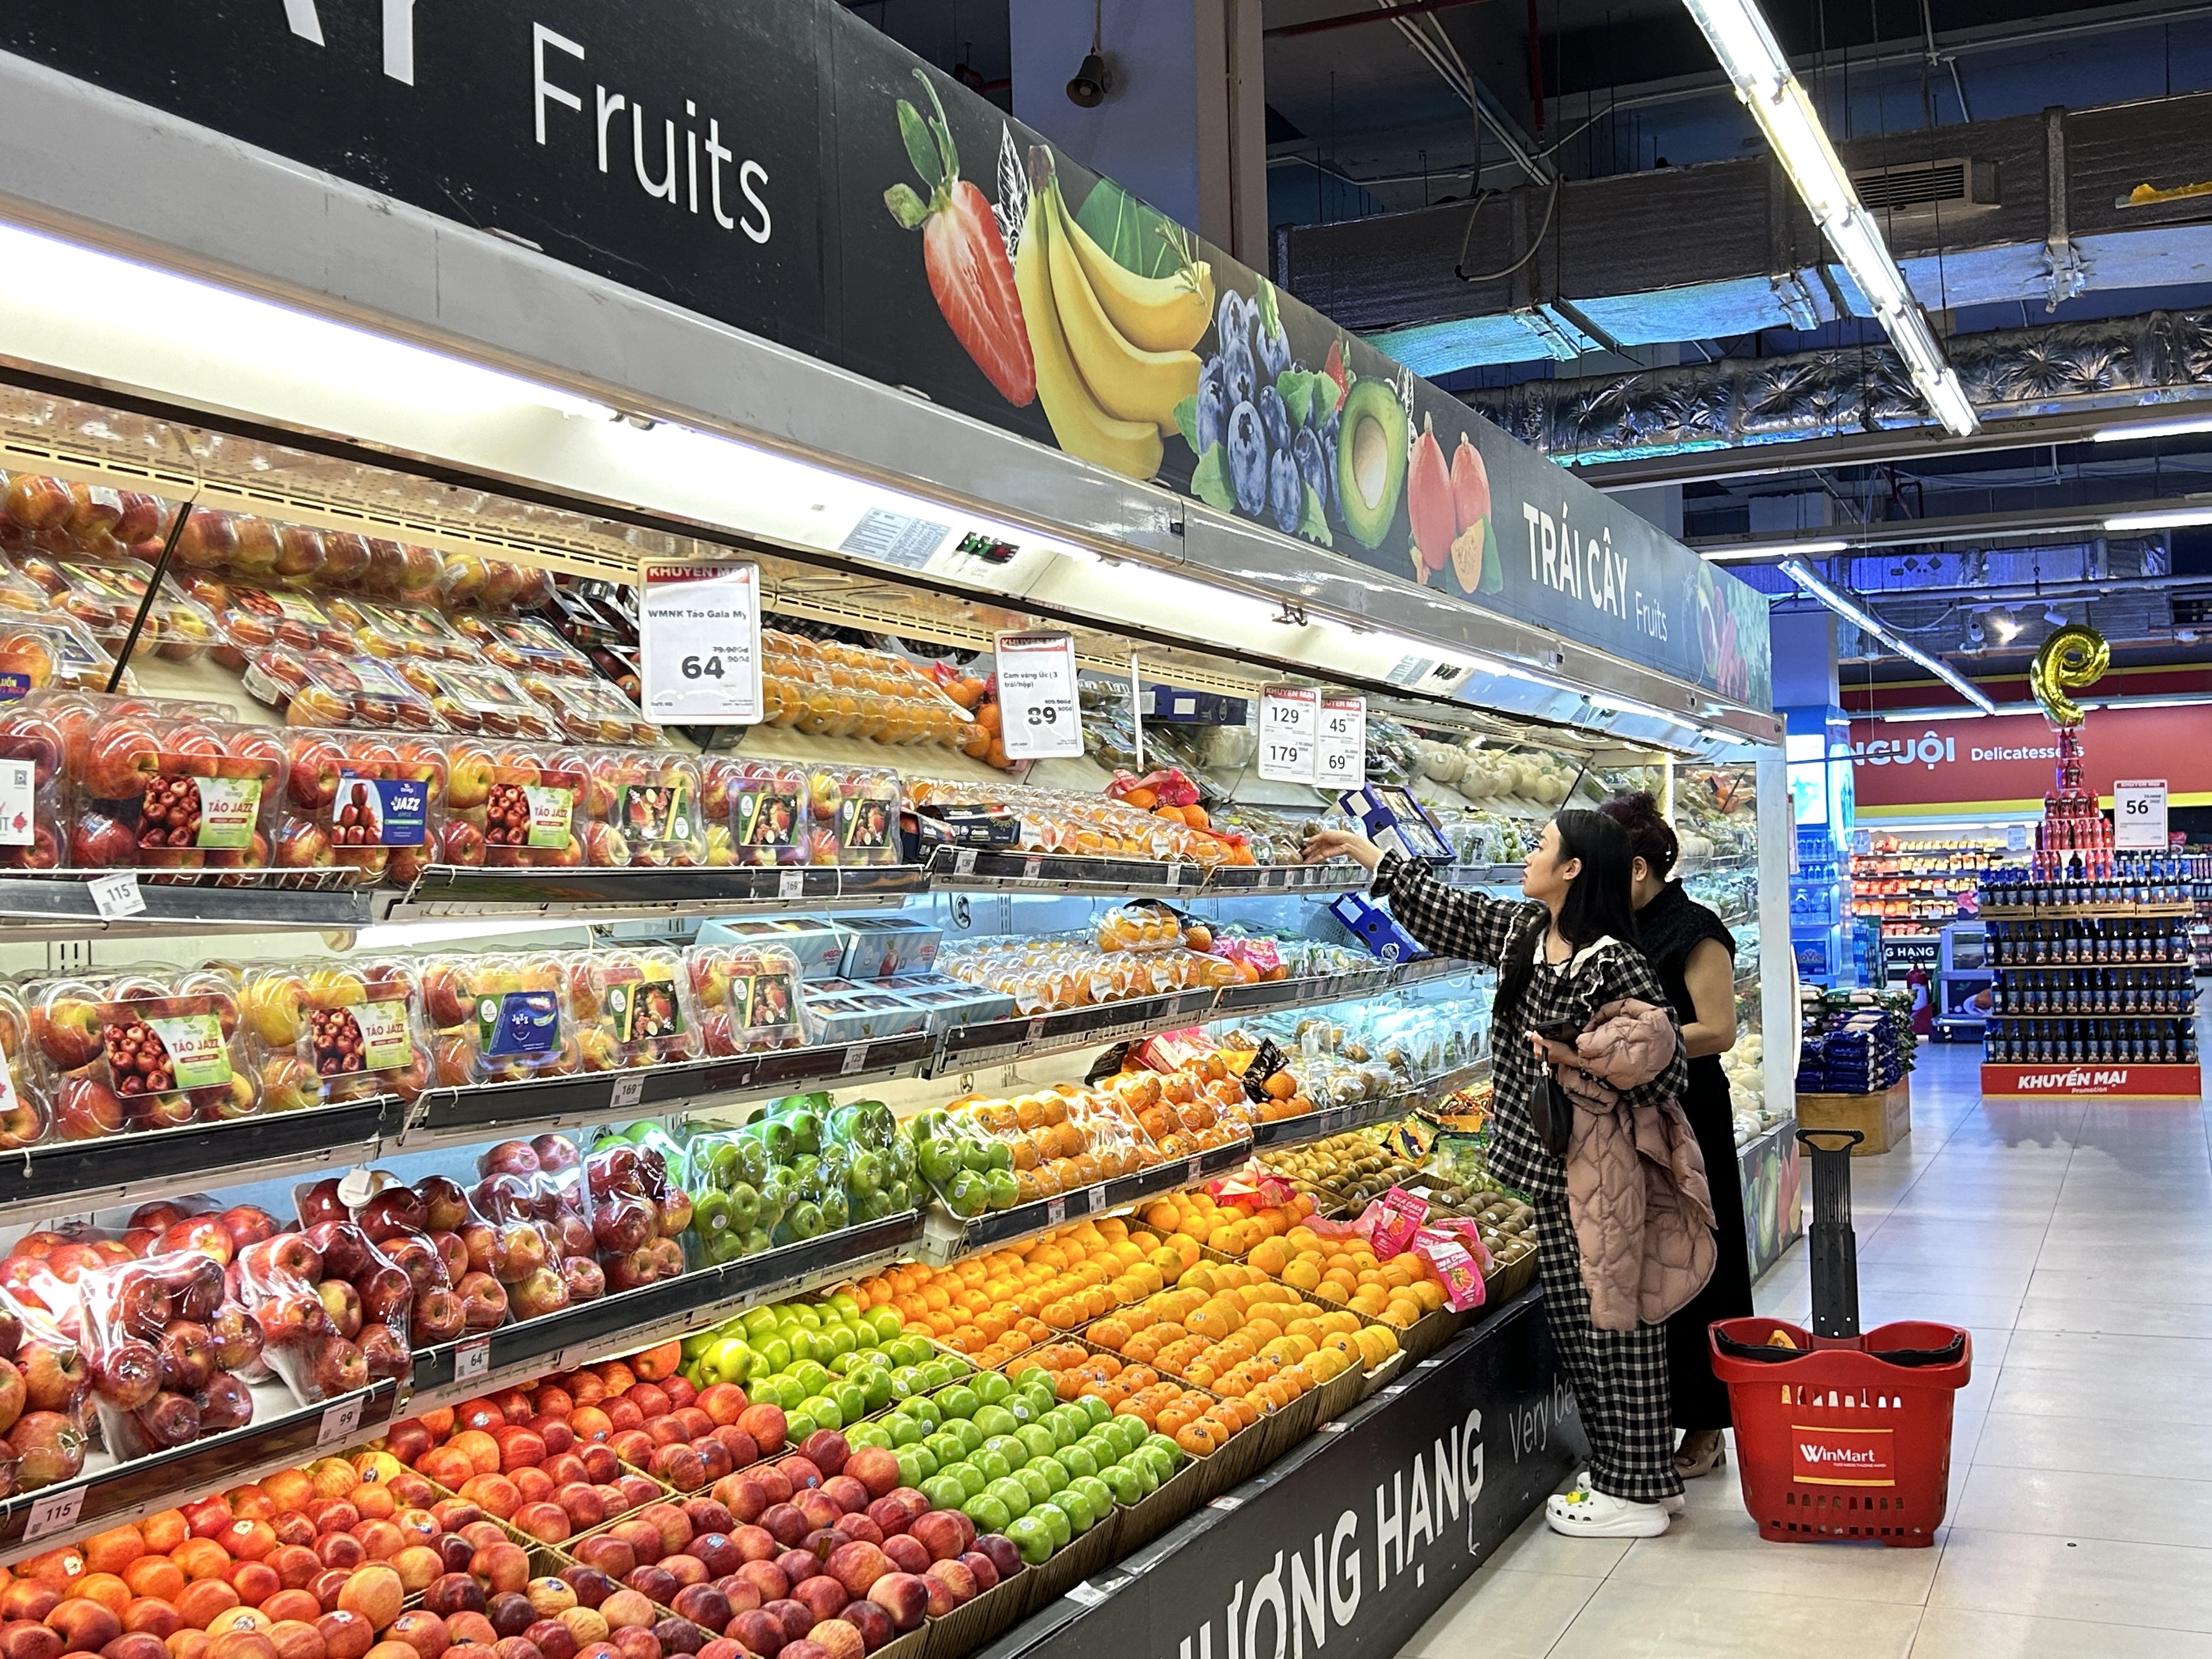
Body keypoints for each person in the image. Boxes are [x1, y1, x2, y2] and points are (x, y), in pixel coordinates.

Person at [1304, 811, 1692, 1537]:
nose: (1528, 855)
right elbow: (1451, 912)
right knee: (1580, 1324)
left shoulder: (1614, 961)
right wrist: (1369, 854)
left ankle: (1635, 1493)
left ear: (1573, 868)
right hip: (1550, 1165)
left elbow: (1663, 1068)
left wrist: (1577, 1055)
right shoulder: (1527, 936)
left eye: (1542, 846)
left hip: (1602, 1172)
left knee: (1618, 1323)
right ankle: (1630, 1474)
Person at [1596, 792, 1753, 1480]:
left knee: (1703, 1261)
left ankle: (1707, 1423)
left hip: (1691, 1112)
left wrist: (1628, 1045)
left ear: (1637, 868)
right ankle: (1654, 1410)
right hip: (1632, 1119)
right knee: (1652, 1265)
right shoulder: (1613, 930)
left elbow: (1719, 1030)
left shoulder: (1695, 929)